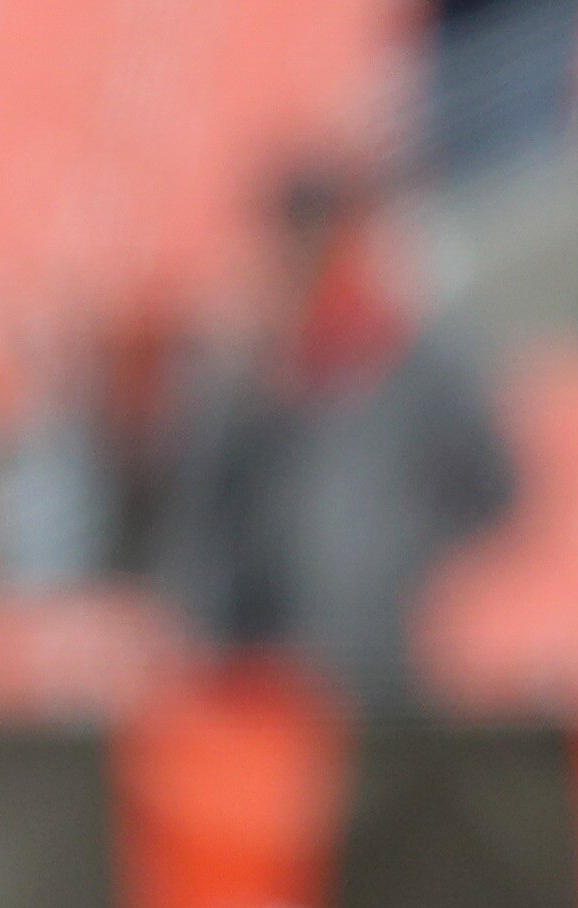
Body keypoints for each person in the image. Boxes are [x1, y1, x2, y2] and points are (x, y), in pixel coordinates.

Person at [162, 160, 515, 703]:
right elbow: (205, 530)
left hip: (389, 666)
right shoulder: (241, 379)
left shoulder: (423, 363)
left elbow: (495, 493)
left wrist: (414, 554)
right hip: (267, 673)